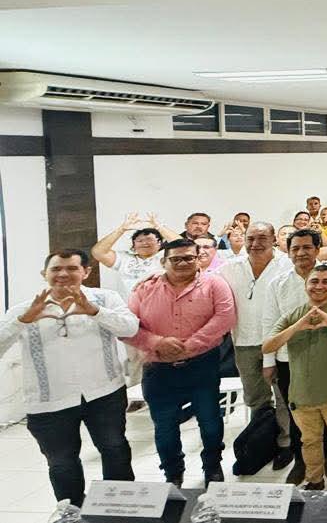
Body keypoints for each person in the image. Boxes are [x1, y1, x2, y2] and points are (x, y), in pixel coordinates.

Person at [0, 249, 139, 506]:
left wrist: (95, 311)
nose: (63, 274)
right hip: (49, 401)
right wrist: (22, 321)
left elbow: (130, 328)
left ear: (86, 272)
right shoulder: (25, 309)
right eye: (56, 269)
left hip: (104, 392)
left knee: (115, 449)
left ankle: (119, 508)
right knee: (61, 462)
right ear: (44, 274)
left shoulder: (105, 298)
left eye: (72, 268)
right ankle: (71, 511)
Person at [124, 239, 237, 487]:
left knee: (210, 420)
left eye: (189, 258)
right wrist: (157, 342)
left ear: (198, 260)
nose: (183, 263)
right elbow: (127, 327)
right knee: (165, 426)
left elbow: (225, 317)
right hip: (158, 369)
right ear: (163, 261)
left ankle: (212, 466)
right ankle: (173, 473)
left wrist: (189, 346)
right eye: (176, 259)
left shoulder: (215, 284)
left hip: (202, 365)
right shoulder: (144, 289)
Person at [260, 229, 327, 484]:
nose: (301, 253)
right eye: (295, 248)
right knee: (298, 415)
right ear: (288, 252)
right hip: (290, 361)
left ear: (317, 249)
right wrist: (269, 362)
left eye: (307, 247)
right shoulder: (278, 283)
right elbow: (269, 322)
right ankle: (303, 463)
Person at [215, 222, 295, 471]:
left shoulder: (287, 264)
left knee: (283, 396)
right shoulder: (230, 268)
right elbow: (203, 281)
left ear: (273, 240)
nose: (255, 244)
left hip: (280, 341)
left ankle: (286, 443)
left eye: (262, 238)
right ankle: (262, 442)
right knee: (255, 397)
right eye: (250, 238)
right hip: (244, 342)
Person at [91, 213, 172, 294]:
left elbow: (180, 244)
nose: (145, 243)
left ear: (159, 243)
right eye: (140, 241)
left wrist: (159, 227)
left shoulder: (167, 256)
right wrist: (121, 229)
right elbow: (98, 252)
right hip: (128, 301)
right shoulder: (124, 258)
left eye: (149, 239)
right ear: (133, 245)